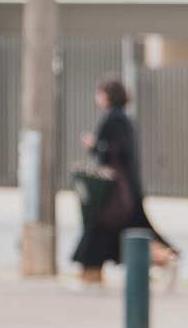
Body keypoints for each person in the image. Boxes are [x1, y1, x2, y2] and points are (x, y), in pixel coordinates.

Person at [71, 80, 176, 284]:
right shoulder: (123, 119)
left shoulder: (114, 119)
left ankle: (163, 258)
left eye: (100, 93)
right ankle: (162, 258)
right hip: (126, 191)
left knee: (110, 230)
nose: (98, 97)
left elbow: (113, 152)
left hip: (116, 193)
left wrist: (95, 145)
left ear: (108, 96)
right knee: (128, 231)